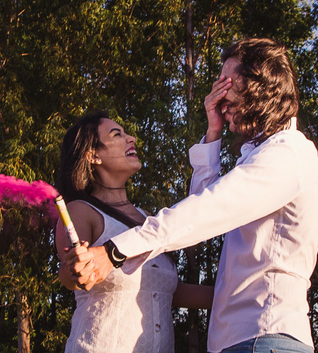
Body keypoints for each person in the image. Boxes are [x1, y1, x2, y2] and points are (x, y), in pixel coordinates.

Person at [65, 38, 318, 353]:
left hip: (264, 338)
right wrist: (213, 133)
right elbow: (199, 212)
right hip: (244, 340)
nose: (219, 96)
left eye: (227, 83)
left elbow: (204, 211)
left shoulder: (286, 155)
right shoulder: (262, 155)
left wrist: (113, 252)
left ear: (257, 84)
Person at [55, 110, 212, 352]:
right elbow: (70, 275)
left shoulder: (150, 220)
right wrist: (76, 271)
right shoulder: (81, 211)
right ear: (92, 155)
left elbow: (165, 288)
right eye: (117, 134)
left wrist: (236, 294)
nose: (132, 139)